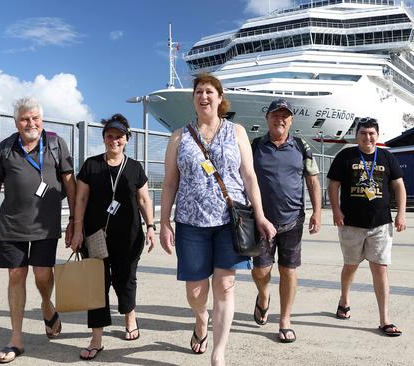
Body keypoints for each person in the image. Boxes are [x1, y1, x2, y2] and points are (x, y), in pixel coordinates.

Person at [160, 73, 276, 366]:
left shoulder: (236, 132)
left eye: (210, 91)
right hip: (191, 222)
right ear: (194, 99)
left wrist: (259, 215)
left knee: (224, 286)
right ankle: (201, 320)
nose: (204, 96)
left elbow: (249, 176)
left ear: (220, 98)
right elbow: (171, 182)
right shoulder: (179, 136)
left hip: (230, 221)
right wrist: (163, 222)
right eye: (199, 92)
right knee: (196, 292)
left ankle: (219, 352)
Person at [0, 97, 76, 363]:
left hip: (45, 226)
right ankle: (16, 338)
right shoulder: (6, 147)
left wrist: (75, 220)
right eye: (24, 119)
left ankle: (46, 304)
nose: (30, 123)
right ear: (16, 122)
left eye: (35, 118)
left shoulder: (55, 144)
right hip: (11, 226)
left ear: (42, 120)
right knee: (16, 275)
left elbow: (70, 184)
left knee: (43, 275)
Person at [70, 113, 156, 361]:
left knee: (125, 280)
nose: (114, 140)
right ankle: (96, 338)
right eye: (110, 136)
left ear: (126, 139)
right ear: (104, 138)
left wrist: (150, 226)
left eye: (119, 136)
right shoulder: (91, 165)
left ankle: (130, 317)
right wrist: (77, 231)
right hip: (95, 236)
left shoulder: (135, 167)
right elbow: (81, 199)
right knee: (96, 286)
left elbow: (143, 199)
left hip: (128, 236)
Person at [250, 98, 322, 343]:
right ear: (267, 118)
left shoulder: (302, 146)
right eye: (275, 115)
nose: (279, 119)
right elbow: (243, 178)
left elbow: (312, 180)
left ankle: (285, 320)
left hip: (293, 220)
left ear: (291, 120)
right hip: (261, 221)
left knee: (288, 270)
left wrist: (318, 213)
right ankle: (263, 296)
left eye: (284, 116)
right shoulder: (255, 145)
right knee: (260, 270)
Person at [327, 117, 406, 337]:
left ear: (377, 135)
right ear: (357, 135)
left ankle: (385, 319)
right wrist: (336, 211)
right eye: (363, 133)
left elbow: (399, 186)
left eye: (371, 133)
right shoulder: (345, 156)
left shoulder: (388, 157)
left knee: (380, 268)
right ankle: (344, 300)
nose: (367, 137)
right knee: (350, 266)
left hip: (381, 223)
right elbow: (333, 184)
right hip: (351, 223)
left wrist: (401, 214)